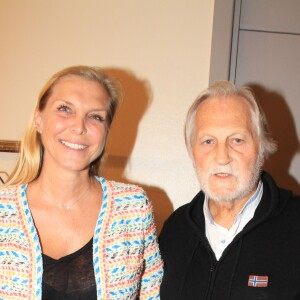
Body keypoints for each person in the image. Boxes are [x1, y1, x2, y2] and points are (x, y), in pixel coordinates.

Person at [0, 65, 163, 299]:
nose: (79, 127)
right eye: (65, 109)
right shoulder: (3, 212)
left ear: (106, 130)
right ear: (39, 119)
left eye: (95, 116)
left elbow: (153, 294)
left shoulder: (133, 208)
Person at [159, 80, 300, 300]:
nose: (222, 157)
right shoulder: (175, 230)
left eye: (237, 140)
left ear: (262, 149)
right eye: (208, 141)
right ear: (192, 151)